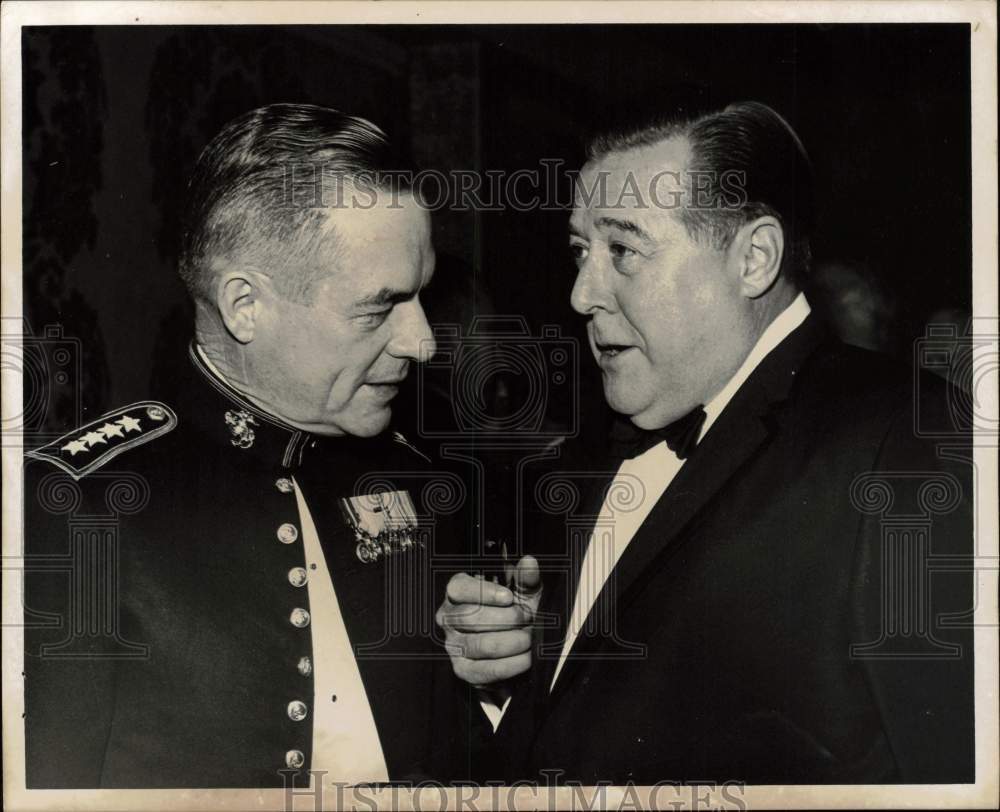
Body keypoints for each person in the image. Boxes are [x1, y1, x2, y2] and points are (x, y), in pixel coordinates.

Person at [437, 101, 974, 784]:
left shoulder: (908, 437)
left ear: (753, 259)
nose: (579, 294)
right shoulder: (595, 451)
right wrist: (502, 672)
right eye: (580, 251)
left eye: (623, 249)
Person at [23, 104, 468, 788]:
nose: (424, 341)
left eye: (422, 299)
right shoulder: (77, 504)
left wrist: (494, 673)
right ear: (245, 306)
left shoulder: (408, 474)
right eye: (381, 307)